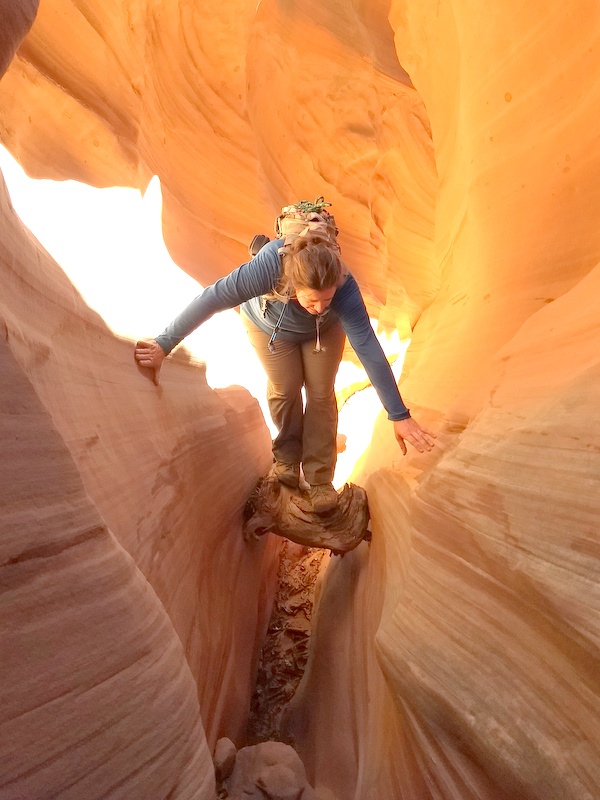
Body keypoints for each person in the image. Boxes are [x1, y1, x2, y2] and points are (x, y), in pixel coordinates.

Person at [135, 211, 436, 513]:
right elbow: (213, 298)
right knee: (285, 388)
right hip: (269, 327)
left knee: (320, 393)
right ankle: (287, 461)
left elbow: (367, 345)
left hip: (323, 334)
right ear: (293, 283)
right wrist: (164, 344)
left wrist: (399, 415)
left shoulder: (343, 286)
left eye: (326, 301)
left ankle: (320, 480)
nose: (319, 307)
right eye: (311, 300)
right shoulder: (268, 267)